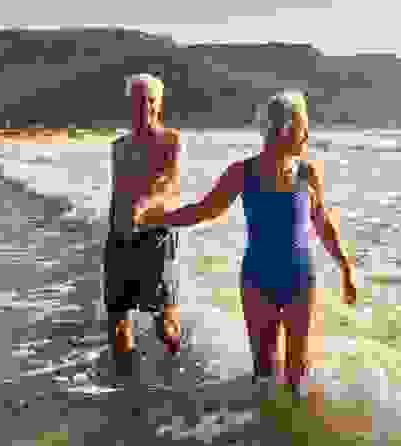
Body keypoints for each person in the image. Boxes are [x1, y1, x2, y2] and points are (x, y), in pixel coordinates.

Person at [141, 90, 357, 393]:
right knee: (264, 371)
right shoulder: (243, 172)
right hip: (257, 280)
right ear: (287, 128)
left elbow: (322, 221)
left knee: (296, 373)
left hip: (300, 279)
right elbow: (205, 210)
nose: (307, 134)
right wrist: (163, 218)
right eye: (303, 127)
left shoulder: (307, 172)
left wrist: (345, 267)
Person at [102, 73, 183, 372]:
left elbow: (169, 183)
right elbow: (117, 193)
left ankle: (177, 369)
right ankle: (126, 392)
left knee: (165, 327)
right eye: (137, 100)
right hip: (119, 241)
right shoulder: (118, 146)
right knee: (118, 323)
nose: (143, 107)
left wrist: (145, 205)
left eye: (150, 101)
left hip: (156, 240)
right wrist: (114, 236)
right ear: (129, 104)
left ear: (159, 105)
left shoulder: (170, 140)